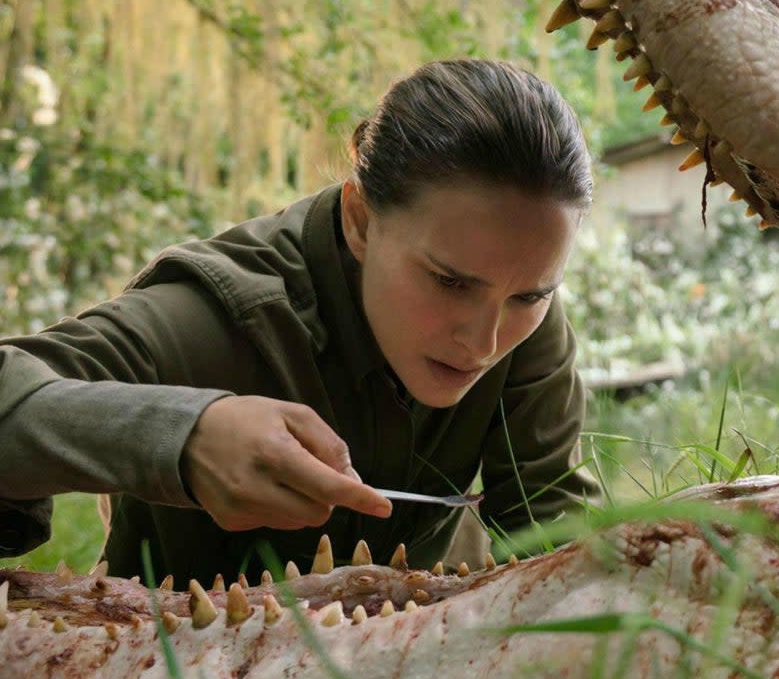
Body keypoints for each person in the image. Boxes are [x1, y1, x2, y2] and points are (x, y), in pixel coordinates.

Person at [0, 58, 599, 585]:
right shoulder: (216, 315)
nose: (484, 341)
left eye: (530, 296)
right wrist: (183, 437)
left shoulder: (520, 308)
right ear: (361, 219)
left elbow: (551, 529)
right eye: (449, 282)